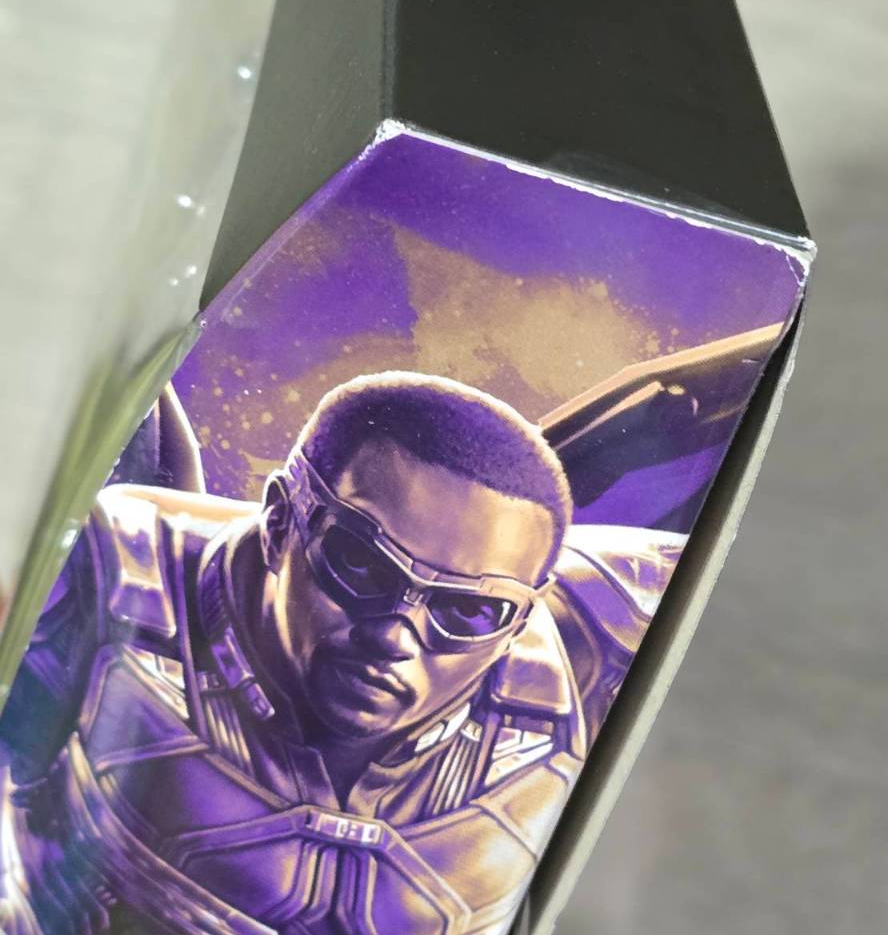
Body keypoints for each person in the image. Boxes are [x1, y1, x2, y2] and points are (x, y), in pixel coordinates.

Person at [0, 372, 683, 935]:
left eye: (466, 611)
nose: (394, 636)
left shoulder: (596, 633)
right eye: (361, 564)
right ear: (278, 523)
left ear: (518, 619)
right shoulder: (114, 572)